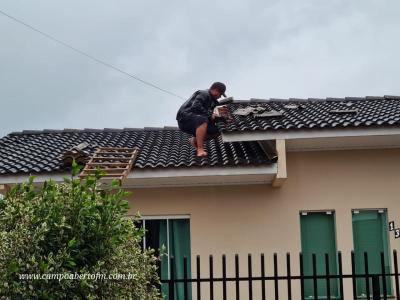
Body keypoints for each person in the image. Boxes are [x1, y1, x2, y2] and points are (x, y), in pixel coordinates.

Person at [176, 82, 229, 157]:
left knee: (216, 131)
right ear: (216, 90)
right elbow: (196, 106)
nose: (220, 97)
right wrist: (211, 115)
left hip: (197, 119)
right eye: (220, 94)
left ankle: (194, 140)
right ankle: (200, 149)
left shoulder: (213, 102)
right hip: (184, 119)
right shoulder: (204, 93)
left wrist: (223, 118)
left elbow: (212, 115)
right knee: (203, 119)